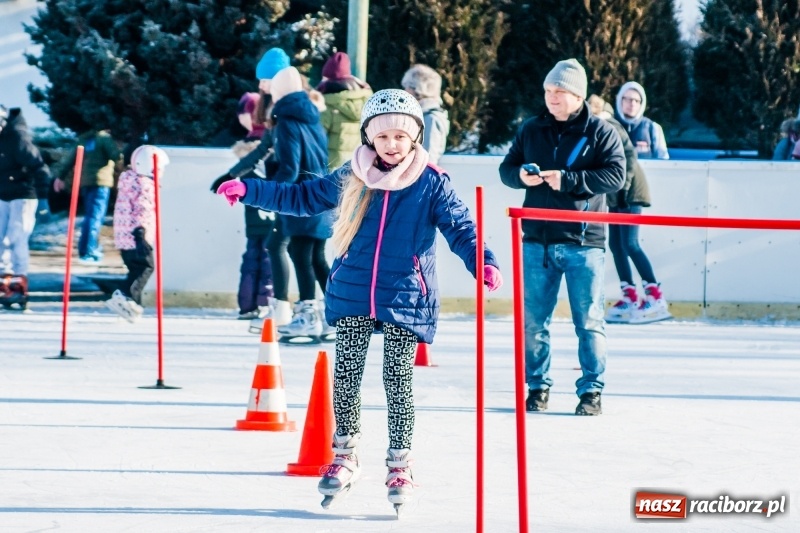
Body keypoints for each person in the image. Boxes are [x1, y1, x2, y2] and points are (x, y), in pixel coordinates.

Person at [216, 89, 503, 511]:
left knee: (396, 380)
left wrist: (484, 262)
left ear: (414, 139)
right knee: (346, 376)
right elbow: (302, 197)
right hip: (352, 291)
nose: (391, 144)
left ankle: (400, 463)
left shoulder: (430, 183)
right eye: (383, 136)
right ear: (369, 136)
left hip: (405, 296)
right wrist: (250, 190)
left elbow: (462, 229)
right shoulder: (352, 175)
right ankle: (345, 455)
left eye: (400, 137)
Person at [499, 59, 625, 416]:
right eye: (548, 91)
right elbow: (507, 169)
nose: (551, 98)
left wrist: (569, 180)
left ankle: (591, 391)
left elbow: (616, 176)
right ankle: (537, 387)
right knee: (534, 321)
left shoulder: (601, 132)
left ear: (577, 95)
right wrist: (521, 177)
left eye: (559, 92)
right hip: (537, 240)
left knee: (588, 320)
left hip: (584, 242)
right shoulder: (531, 129)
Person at [211, 47, 294, 329]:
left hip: (290, 190)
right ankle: (273, 308)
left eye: (265, 79)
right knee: (275, 247)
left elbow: (288, 157)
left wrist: (278, 188)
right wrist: (231, 174)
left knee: (295, 250)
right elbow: (262, 149)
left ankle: (296, 308)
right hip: (275, 190)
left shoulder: (289, 111)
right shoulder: (273, 111)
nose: (260, 86)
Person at [263, 65, 333, 343]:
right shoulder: (312, 118)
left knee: (301, 255)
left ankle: (307, 317)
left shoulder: (287, 123)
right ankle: (335, 316)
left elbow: (289, 169)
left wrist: (267, 193)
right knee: (316, 258)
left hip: (302, 199)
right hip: (321, 195)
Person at [588, 95, 671, 324]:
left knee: (630, 243)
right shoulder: (597, 127)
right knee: (615, 244)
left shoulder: (609, 125)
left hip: (630, 191)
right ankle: (630, 296)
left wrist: (623, 190)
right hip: (617, 194)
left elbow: (629, 157)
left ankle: (655, 296)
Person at [105, 145, 168, 323]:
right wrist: (141, 231)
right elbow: (143, 208)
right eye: (161, 167)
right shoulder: (145, 184)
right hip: (137, 235)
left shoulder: (129, 182)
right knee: (146, 267)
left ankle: (133, 305)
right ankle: (123, 295)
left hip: (125, 237)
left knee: (136, 269)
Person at [0, 105, 51, 310]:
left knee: (16, 237)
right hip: (2, 194)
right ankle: (4, 280)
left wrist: (44, 197)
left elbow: (39, 167)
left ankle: (20, 282)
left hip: (23, 193)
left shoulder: (17, 137)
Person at [232, 92, 276, 320]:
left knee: (251, 258)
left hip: (252, 216)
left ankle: (246, 304)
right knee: (269, 259)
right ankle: (265, 301)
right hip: (272, 214)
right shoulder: (271, 146)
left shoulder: (243, 151)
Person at [54, 129, 122, 263]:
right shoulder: (104, 139)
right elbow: (116, 156)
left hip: (85, 182)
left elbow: (71, 159)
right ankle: (90, 250)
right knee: (96, 217)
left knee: (89, 217)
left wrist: (60, 176)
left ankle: (84, 249)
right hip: (101, 182)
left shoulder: (84, 139)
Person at [316, 52, 373, 169]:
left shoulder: (327, 102)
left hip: (332, 166)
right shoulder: (364, 99)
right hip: (359, 164)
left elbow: (318, 138)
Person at [401, 64, 450, 164]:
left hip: (420, 176)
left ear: (418, 90)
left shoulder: (431, 119)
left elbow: (429, 158)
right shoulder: (420, 115)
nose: (404, 91)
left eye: (408, 86)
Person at [614, 81, 669, 160]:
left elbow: (663, 161)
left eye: (637, 101)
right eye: (629, 99)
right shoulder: (609, 126)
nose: (632, 104)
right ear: (620, 100)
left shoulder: (652, 128)